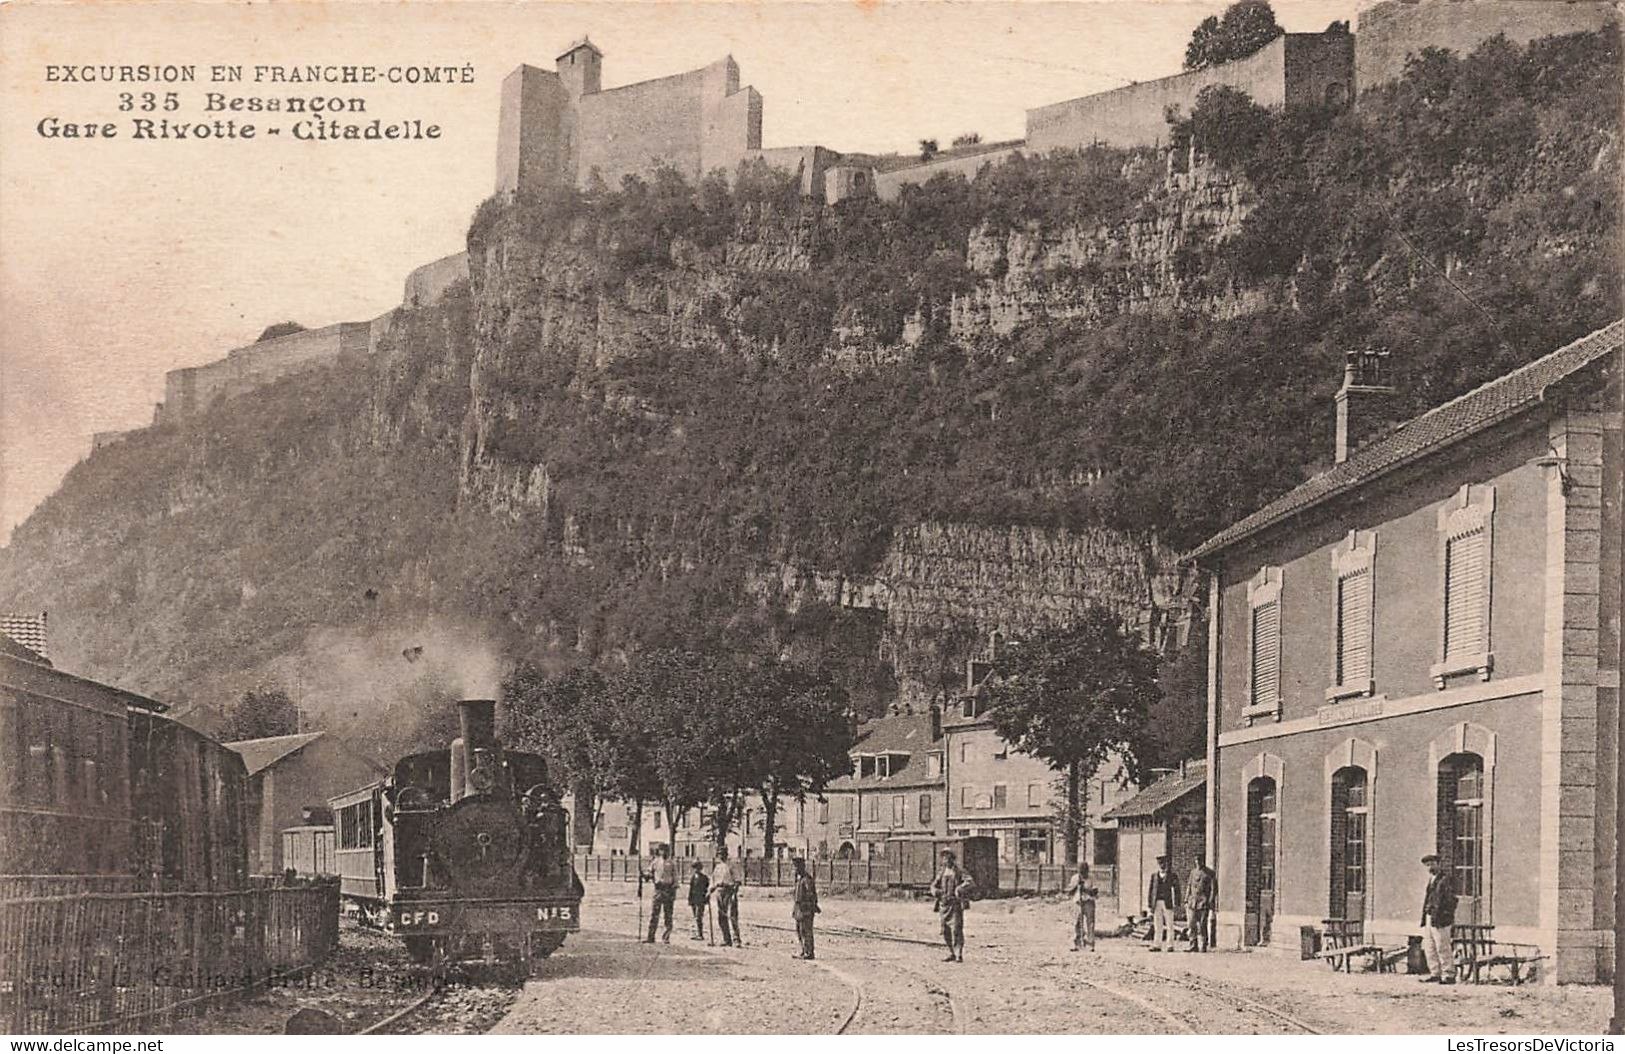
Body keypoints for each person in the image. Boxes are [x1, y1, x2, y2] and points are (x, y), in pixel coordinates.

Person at [1420, 853, 1458, 984]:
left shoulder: (1446, 879)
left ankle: (1448, 974)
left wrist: (1446, 915)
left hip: (1441, 919)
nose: (1430, 867)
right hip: (1429, 917)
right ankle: (1435, 972)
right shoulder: (1431, 879)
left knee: (1442, 946)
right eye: (1427, 865)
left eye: (1432, 864)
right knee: (1429, 946)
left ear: (1438, 864)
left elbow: (1452, 900)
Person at [930, 850, 974, 962]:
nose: (946, 860)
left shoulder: (959, 871)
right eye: (944, 857)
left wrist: (960, 888)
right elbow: (933, 885)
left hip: (955, 904)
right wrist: (935, 891)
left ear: (952, 858)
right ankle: (951, 952)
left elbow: (970, 882)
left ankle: (959, 953)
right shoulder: (942, 872)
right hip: (943, 904)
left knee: (956, 929)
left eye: (948, 857)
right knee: (945, 930)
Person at [642, 843, 678, 944]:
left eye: (666, 850)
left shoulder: (671, 863)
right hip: (658, 890)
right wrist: (645, 875)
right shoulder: (655, 862)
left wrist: (673, 891)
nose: (664, 852)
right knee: (654, 914)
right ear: (660, 851)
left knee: (668, 915)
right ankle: (651, 936)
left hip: (668, 890)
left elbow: (675, 878)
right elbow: (649, 873)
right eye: (662, 850)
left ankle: (666, 937)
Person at [1147, 854, 1181, 952]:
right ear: (1158, 865)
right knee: (1158, 924)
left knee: (1170, 924)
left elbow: (1177, 890)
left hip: (1167, 902)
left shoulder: (1172, 876)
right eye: (1160, 863)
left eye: (1164, 863)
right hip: (1156, 903)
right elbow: (1151, 891)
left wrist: (1177, 903)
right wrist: (1150, 905)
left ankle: (1170, 945)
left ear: (1166, 864)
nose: (1162, 865)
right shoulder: (1154, 876)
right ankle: (1157, 944)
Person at [711, 846, 743, 947]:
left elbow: (737, 881)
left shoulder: (731, 866)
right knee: (721, 916)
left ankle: (736, 939)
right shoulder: (717, 867)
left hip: (729, 891)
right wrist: (710, 891)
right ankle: (726, 939)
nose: (721, 856)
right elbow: (713, 881)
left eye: (723, 854)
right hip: (719, 892)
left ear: (726, 854)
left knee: (732, 916)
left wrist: (734, 892)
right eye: (720, 854)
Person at [1065, 860, 1099, 951]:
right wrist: (1077, 886)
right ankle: (1077, 944)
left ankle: (1090, 944)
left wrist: (1084, 889)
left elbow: (1095, 892)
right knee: (1077, 923)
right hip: (1078, 903)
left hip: (1089, 902)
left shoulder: (1092, 878)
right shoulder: (1075, 878)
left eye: (1085, 871)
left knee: (1090, 923)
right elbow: (1069, 892)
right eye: (1081, 871)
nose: (1083, 873)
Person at [1186, 854, 1217, 952]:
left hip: (1203, 902)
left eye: (1199, 860)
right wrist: (1186, 899)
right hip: (1193, 902)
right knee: (1191, 924)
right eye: (1196, 860)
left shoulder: (1210, 873)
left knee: (1202, 925)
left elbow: (1213, 889)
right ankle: (1193, 945)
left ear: (1203, 861)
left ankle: (1203, 945)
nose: (1197, 862)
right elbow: (1189, 886)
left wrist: (1210, 901)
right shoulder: (1193, 872)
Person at [791, 857, 819, 959]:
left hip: (805, 908)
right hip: (799, 908)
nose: (795, 869)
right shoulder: (799, 879)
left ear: (801, 867)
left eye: (796, 867)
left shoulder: (807, 879)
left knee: (806, 931)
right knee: (799, 930)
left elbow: (811, 894)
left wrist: (811, 906)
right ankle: (804, 950)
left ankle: (809, 952)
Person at [687, 861, 711, 941]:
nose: (695, 870)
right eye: (694, 868)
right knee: (695, 917)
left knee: (698, 917)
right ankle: (698, 933)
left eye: (697, 868)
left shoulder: (704, 878)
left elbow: (707, 889)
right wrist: (689, 899)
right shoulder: (693, 877)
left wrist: (707, 898)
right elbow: (691, 889)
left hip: (700, 900)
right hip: (694, 899)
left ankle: (700, 934)